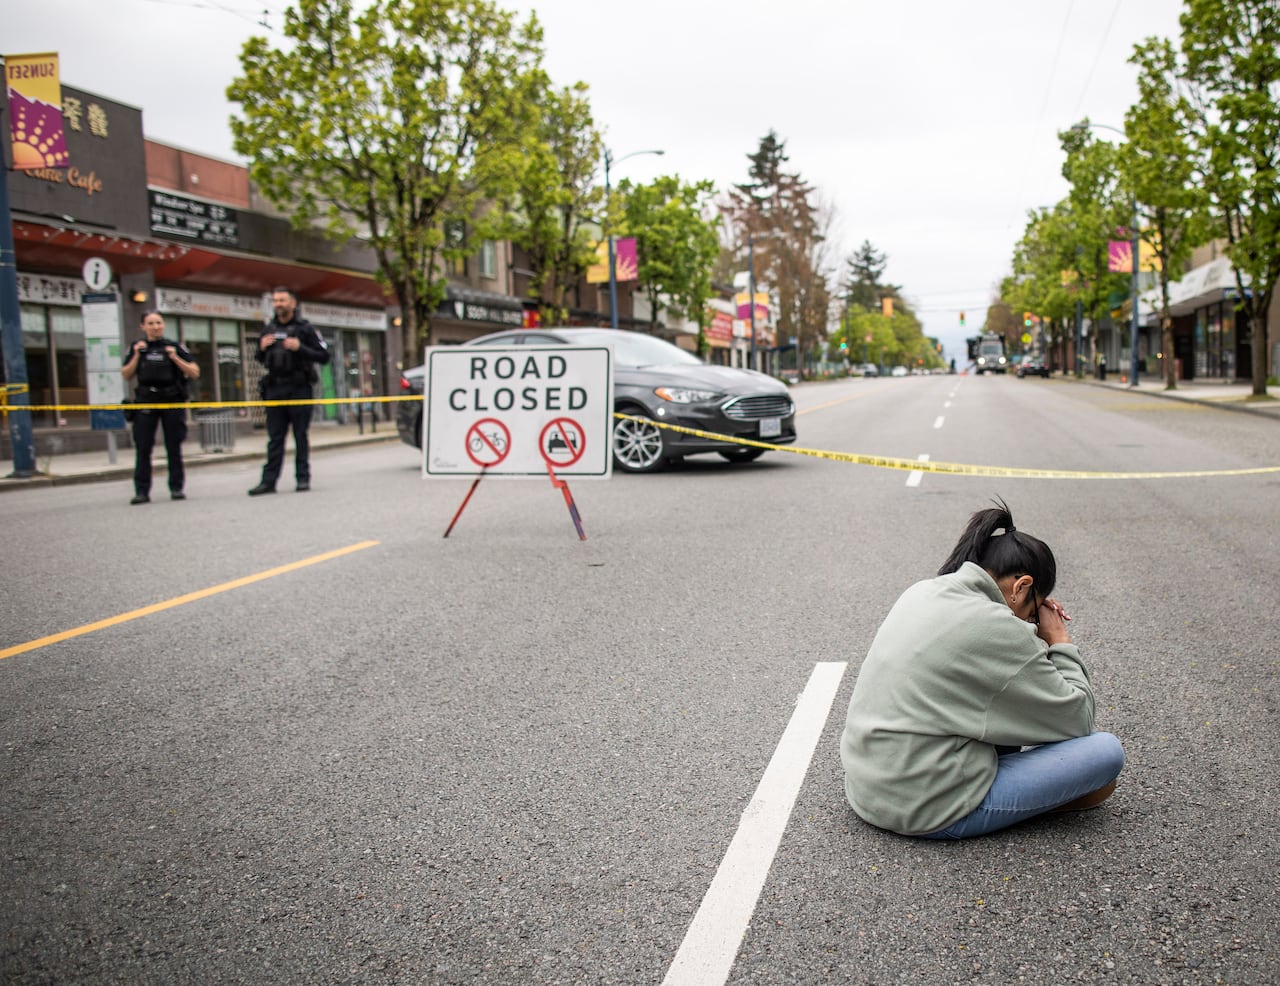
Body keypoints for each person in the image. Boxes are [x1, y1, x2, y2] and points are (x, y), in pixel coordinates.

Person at [840, 500, 1124, 839]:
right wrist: (1059, 640)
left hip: (869, 787)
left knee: (1012, 706)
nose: (1033, 622)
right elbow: (1077, 719)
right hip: (926, 808)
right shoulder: (995, 625)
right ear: (1021, 587)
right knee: (1104, 754)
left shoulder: (924, 591)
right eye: (1034, 611)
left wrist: (1030, 630)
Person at [248, 286, 330, 495]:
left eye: (282, 300)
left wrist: (299, 347)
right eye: (275, 301)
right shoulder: (269, 329)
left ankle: (302, 478)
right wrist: (262, 347)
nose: (278, 305)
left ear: (293, 303)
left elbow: (324, 356)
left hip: (299, 387)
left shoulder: (305, 328)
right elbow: (259, 358)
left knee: (300, 435)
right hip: (275, 387)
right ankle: (268, 481)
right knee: (275, 438)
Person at [121, 310, 200, 505]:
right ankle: (141, 491)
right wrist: (137, 356)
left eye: (159, 323)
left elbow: (194, 372)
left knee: (173, 447)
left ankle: (176, 488)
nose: (156, 327)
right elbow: (126, 374)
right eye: (151, 323)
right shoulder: (138, 348)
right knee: (143, 447)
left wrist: (175, 358)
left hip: (171, 400)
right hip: (146, 401)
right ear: (143, 327)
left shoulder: (173, 346)